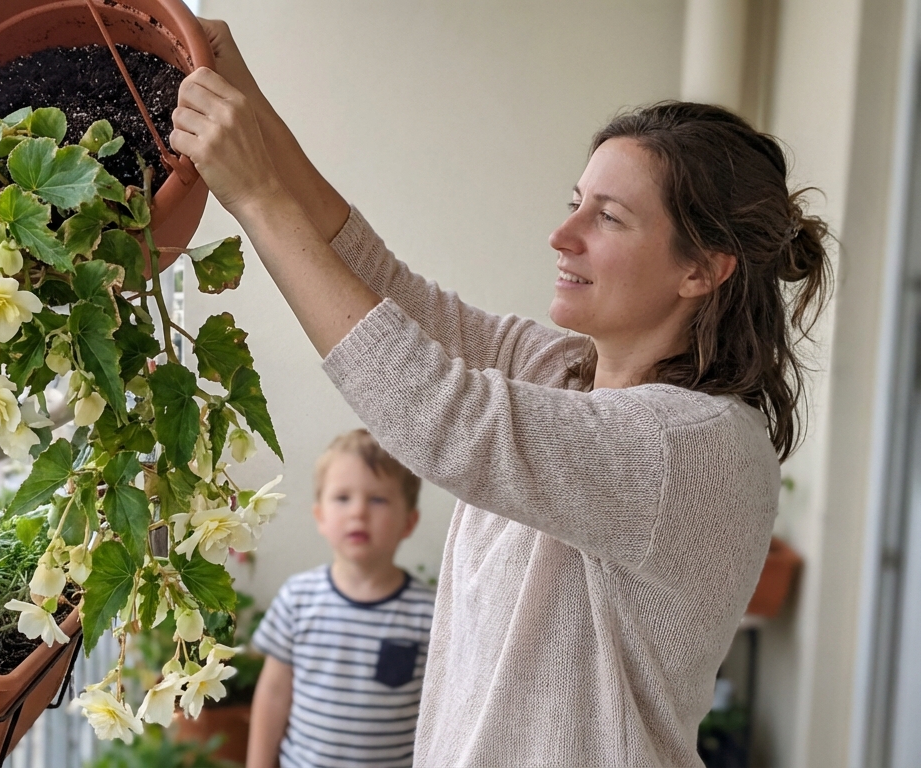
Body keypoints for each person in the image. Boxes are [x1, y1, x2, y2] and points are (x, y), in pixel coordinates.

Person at [169, 18, 832, 768]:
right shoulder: (560, 369)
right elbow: (379, 281)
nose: (563, 234)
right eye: (576, 201)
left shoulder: (694, 443)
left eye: (608, 218)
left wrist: (258, 198)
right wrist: (234, 80)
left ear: (701, 269)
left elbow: (441, 417)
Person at [247, 430, 435, 768]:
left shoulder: (429, 614)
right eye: (343, 498)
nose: (358, 512)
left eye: (378, 499)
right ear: (320, 515)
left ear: (409, 522)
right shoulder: (297, 599)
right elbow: (273, 695)